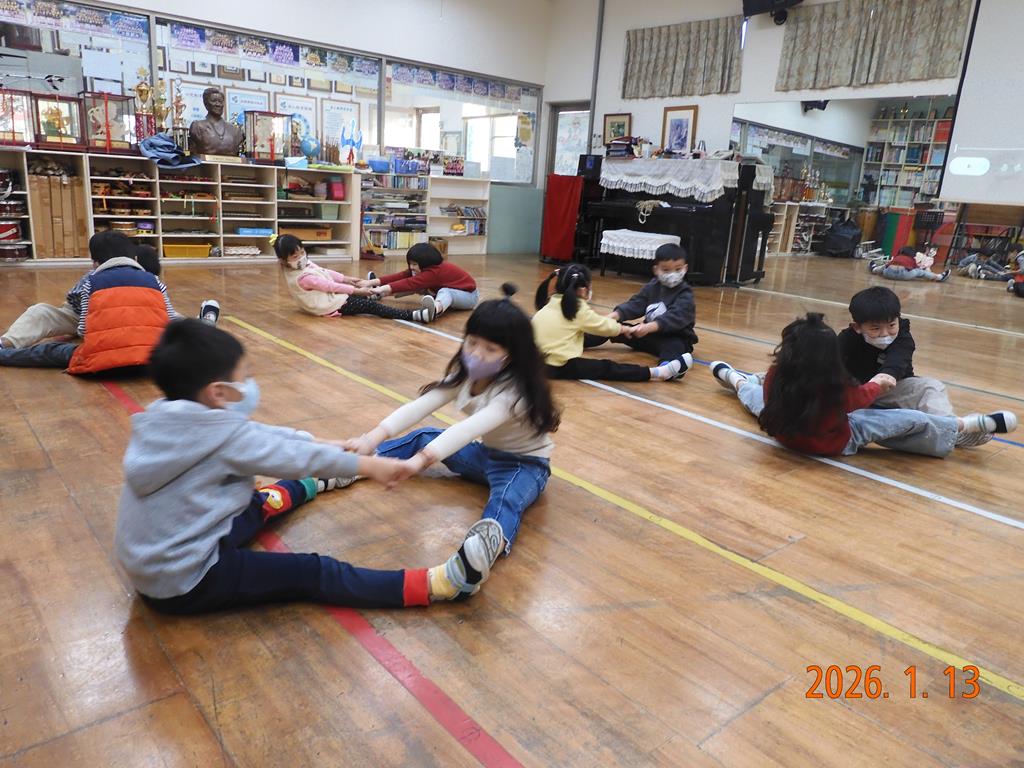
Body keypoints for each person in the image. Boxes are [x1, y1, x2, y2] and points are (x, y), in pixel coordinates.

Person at [114, 319, 498, 614]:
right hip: (188, 580)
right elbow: (291, 458)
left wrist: (328, 444)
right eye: (243, 378)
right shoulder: (223, 435)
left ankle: (316, 485)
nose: (249, 385)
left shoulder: (168, 417)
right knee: (314, 571)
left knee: (255, 505)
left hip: (159, 562)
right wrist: (368, 465)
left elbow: (264, 435)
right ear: (217, 392)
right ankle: (439, 584)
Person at [341, 285, 558, 593]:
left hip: (526, 466)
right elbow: (422, 405)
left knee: (506, 499)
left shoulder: (514, 393)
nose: (477, 354)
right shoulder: (466, 373)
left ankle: (482, 550)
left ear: (511, 356)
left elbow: (467, 430)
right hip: (486, 455)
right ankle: (361, 463)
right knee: (425, 434)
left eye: (491, 349)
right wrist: (371, 438)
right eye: (472, 342)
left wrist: (419, 462)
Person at [710, 313, 1016, 458]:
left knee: (759, 398)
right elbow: (860, 398)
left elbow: (769, 396)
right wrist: (878, 384)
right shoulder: (834, 387)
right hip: (835, 442)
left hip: (786, 436)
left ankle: (735, 378)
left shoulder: (777, 376)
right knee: (901, 421)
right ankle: (963, 425)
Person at [834, 286, 991, 445]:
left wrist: (887, 374)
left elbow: (898, 358)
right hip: (857, 393)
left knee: (931, 387)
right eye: (875, 328)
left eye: (891, 325)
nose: (885, 333)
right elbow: (830, 365)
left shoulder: (903, 336)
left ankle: (952, 429)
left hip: (892, 389)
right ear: (857, 327)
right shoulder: (845, 340)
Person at [0, 231, 177, 371]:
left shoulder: (92, 280)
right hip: (85, 316)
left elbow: (83, 329)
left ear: (95, 263)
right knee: (42, 314)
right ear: (135, 259)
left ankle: (5, 347)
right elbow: (169, 319)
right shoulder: (152, 280)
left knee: (41, 315)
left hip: (93, 325)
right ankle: (7, 342)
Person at [531, 264, 688, 382]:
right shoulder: (577, 308)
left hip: (536, 364)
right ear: (584, 290)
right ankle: (658, 373)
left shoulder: (550, 303)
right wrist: (623, 329)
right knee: (606, 368)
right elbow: (602, 326)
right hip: (558, 366)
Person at [583, 243, 698, 370]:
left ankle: (667, 368)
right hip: (648, 335)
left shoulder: (685, 294)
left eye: (678, 269)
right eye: (666, 270)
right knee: (614, 327)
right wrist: (614, 316)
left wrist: (649, 327)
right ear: (656, 270)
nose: (672, 274)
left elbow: (674, 317)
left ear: (685, 268)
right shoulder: (652, 286)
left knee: (674, 345)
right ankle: (579, 341)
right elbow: (636, 304)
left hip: (674, 338)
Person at [274, 234, 436, 323]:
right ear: (283, 261)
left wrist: (347, 279)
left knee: (364, 298)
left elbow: (325, 272)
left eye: (302, 252)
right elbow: (330, 286)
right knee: (372, 307)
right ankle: (414, 315)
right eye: (295, 256)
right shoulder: (303, 278)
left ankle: (373, 293)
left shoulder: (303, 265)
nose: (301, 257)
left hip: (333, 297)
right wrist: (357, 291)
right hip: (330, 305)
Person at [361, 242, 478, 316]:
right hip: (445, 291)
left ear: (425, 263)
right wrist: (371, 282)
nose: (411, 267)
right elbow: (402, 276)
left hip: (469, 296)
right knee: (416, 286)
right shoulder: (423, 269)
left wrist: (381, 288)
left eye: (414, 264)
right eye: (410, 264)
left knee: (445, 291)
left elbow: (409, 283)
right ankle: (377, 295)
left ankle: (434, 310)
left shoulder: (433, 273)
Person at [869, 246, 950, 282]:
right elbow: (917, 268)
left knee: (884, 266)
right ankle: (939, 277)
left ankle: (874, 269)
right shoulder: (911, 259)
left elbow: (887, 265)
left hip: (888, 274)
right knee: (920, 272)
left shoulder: (897, 257)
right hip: (904, 275)